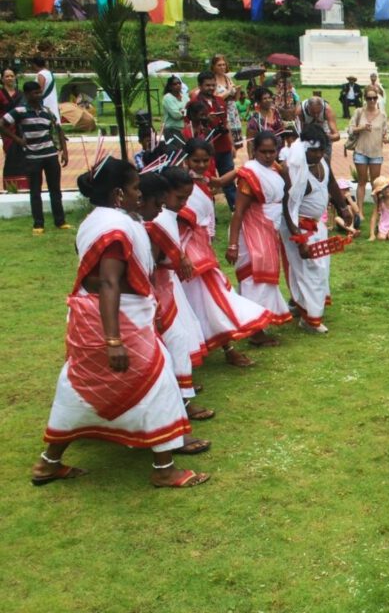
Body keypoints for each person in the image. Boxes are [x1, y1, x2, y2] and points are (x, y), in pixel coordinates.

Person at [32, 157, 210, 489]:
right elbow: (110, 282)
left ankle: (48, 463)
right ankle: (164, 468)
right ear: (118, 194)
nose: (139, 194)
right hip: (116, 321)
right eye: (134, 188)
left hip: (95, 319)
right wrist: (114, 340)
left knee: (80, 387)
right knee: (158, 380)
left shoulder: (96, 221)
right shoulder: (114, 228)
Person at [177, 138, 270, 367]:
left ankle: (221, 347)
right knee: (208, 299)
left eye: (205, 160)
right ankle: (223, 349)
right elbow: (177, 222)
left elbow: (217, 182)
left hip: (201, 249)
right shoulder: (180, 185)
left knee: (207, 299)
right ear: (186, 160)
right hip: (187, 252)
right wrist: (181, 255)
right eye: (195, 160)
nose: (200, 164)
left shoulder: (202, 180)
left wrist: (242, 169)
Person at [139, 170, 214, 421]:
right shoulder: (154, 221)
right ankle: (182, 400)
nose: (183, 204)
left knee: (181, 337)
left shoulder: (162, 217)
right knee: (177, 340)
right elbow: (151, 262)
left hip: (166, 287)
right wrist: (175, 260)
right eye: (178, 198)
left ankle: (181, 390)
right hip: (155, 291)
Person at [280, 126, 352, 333]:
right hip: (299, 229)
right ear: (303, 148)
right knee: (311, 270)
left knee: (319, 269)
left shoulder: (322, 162)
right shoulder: (293, 170)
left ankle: (298, 304)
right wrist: (299, 238)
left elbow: (331, 184)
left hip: (317, 226)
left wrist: (344, 207)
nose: (318, 155)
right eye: (314, 151)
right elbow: (288, 207)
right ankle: (310, 319)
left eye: (322, 150)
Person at [227, 131, 293, 344]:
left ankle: (259, 325)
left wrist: (283, 169)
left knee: (267, 277)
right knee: (255, 278)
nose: (267, 156)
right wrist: (233, 244)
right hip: (251, 230)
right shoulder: (250, 174)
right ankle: (255, 330)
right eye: (263, 152)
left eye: (272, 151)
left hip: (268, 228)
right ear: (254, 151)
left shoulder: (275, 169)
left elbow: (287, 186)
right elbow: (238, 212)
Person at [0, 80, 69, 234]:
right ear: (26, 94)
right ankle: (38, 224)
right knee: (35, 191)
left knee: (55, 190)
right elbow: (2, 124)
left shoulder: (47, 111)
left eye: (39, 92)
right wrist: (17, 140)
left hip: (51, 155)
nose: (39, 95)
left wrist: (65, 151)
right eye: (35, 93)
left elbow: (58, 130)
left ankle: (60, 221)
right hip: (32, 156)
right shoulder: (20, 111)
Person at [195, 70, 238, 210]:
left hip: (224, 145)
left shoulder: (219, 101)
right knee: (207, 181)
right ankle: (209, 211)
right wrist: (205, 120)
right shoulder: (194, 103)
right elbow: (190, 126)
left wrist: (232, 144)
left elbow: (226, 124)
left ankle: (236, 208)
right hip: (205, 149)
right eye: (207, 85)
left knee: (229, 179)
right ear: (200, 86)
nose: (211, 88)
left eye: (213, 85)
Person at [347, 87, 388, 215]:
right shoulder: (359, 112)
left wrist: (388, 138)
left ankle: (378, 209)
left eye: (374, 98)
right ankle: (359, 211)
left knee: (376, 183)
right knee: (362, 181)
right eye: (369, 98)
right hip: (361, 150)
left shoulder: (382, 115)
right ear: (365, 99)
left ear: (377, 99)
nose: (372, 100)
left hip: (376, 152)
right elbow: (350, 129)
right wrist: (362, 127)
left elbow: (385, 134)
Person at [1, 68, 28, 193]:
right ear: (2, 79)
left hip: (21, 128)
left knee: (23, 156)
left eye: (12, 76)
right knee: (10, 154)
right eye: (7, 76)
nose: (10, 78)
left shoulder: (21, 94)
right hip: (6, 129)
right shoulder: (1, 94)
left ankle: (24, 184)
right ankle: (11, 186)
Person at [211, 55, 243, 150]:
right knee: (225, 140)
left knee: (236, 141)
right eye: (219, 65)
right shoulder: (212, 80)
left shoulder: (228, 78)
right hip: (221, 110)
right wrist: (229, 92)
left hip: (232, 110)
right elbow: (215, 97)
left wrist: (237, 91)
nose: (222, 67)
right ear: (214, 66)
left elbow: (235, 99)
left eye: (224, 65)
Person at [298, 96, 341, 161]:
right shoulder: (300, 111)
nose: (316, 116)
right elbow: (298, 134)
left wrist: (324, 137)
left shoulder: (327, 110)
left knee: (326, 160)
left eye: (318, 112)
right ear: (308, 108)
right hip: (307, 137)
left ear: (322, 107)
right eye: (313, 112)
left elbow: (337, 136)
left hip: (324, 135)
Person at [246, 86, 284, 157]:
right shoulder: (255, 118)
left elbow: (282, 132)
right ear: (258, 102)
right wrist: (251, 158)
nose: (268, 100)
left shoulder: (276, 112)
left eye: (269, 97)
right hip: (265, 155)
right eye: (265, 98)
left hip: (280, 153)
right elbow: (250, 141)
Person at [161, 76, 187, 148]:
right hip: (172, 130)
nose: (178, 85)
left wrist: (182, 111)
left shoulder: (185, 96)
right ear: (170, 87)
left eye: (179, 83)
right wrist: (185, 112)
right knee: (177, 153)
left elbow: (191, 109)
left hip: (185, 130)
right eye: (175, 84)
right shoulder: (167, 98)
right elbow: (176, 115)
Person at [31, 55, 59, 121]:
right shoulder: (49, 73)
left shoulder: (41, 74)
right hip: (51, 99)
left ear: (35, 65)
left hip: (45, 100)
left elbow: (40, 90)